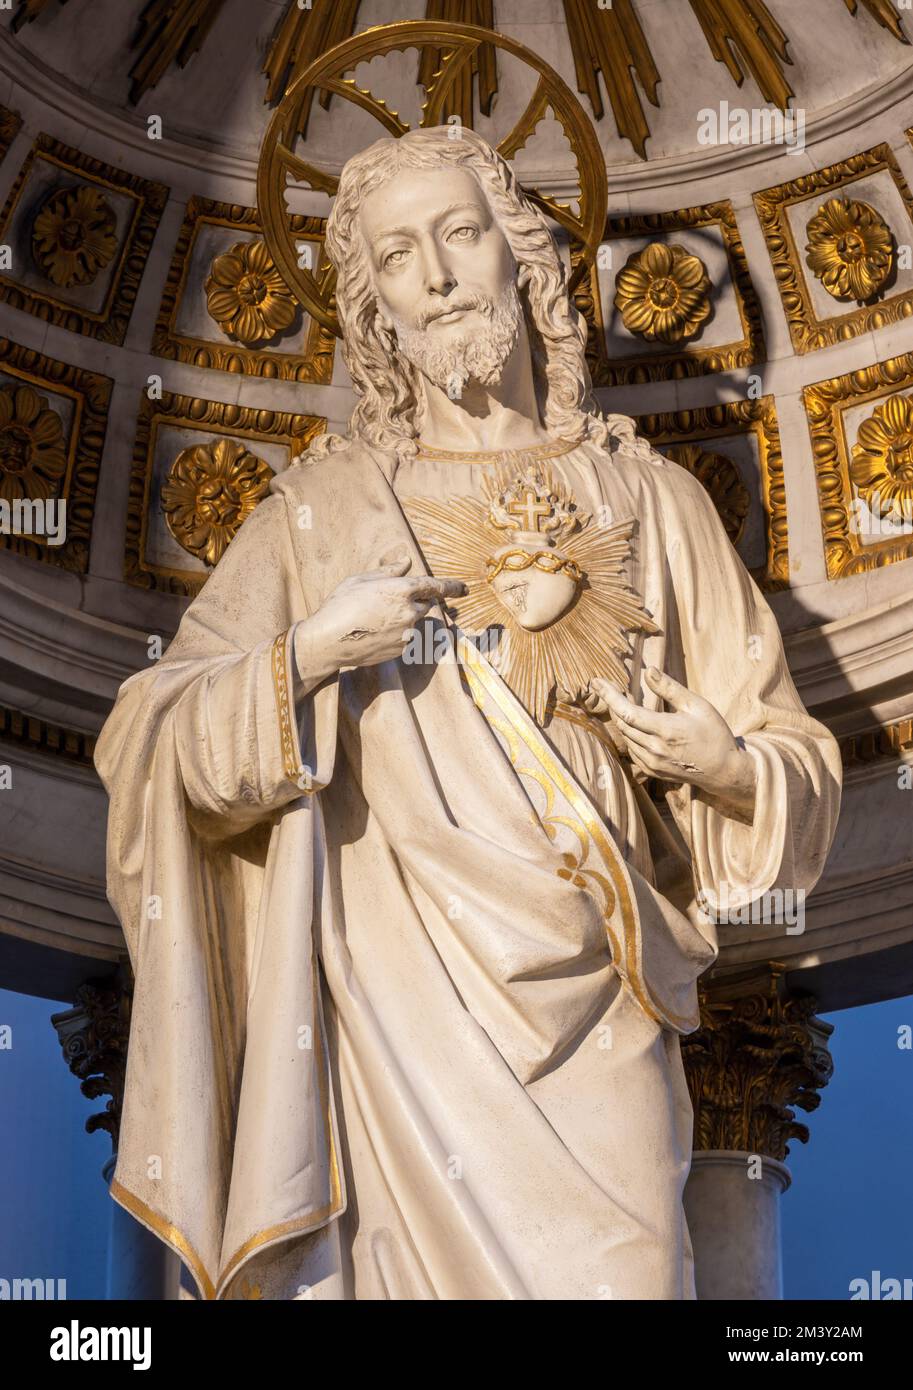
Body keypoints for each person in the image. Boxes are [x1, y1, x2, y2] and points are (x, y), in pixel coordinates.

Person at [94, 127, 842, 1300]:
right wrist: (303, 657)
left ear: (521, 256)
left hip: (597, 989)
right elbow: (147, 733)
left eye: (458, 234)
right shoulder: (320, 512)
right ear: (376, 307)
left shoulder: (652, 498)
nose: (435, 276)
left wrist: (729, 766)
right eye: (397, 256)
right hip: (394, 1004)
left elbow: (791, 751)